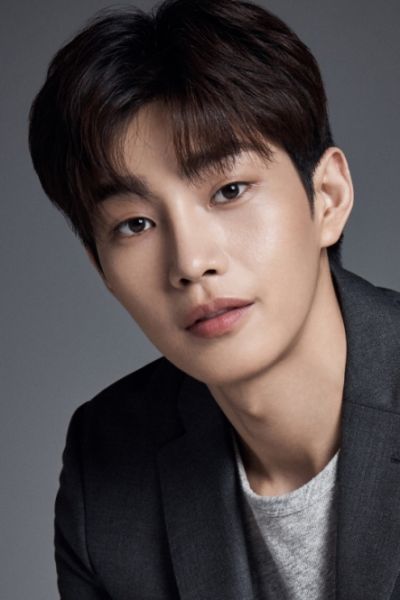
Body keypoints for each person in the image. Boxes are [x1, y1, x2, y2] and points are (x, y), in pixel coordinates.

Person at [29, 0, 400, 598]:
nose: (190, 262)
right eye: (135, 224)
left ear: (327, 197)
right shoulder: (108, 466)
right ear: (101, 269)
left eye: (229, 190)